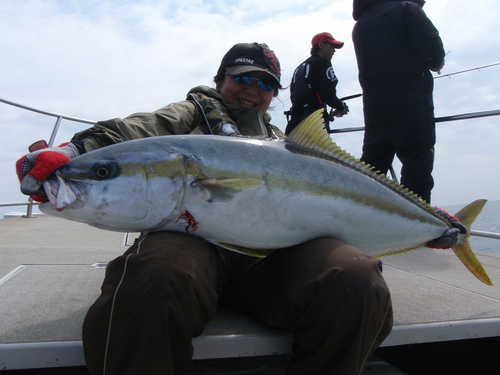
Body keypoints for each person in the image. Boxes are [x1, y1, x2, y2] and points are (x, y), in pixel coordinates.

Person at [16, 42, 393, 375]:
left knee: (357, 279)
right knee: (157, 275)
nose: (252, 90)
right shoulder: (188, 115)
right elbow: (135, 129)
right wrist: (70, 153)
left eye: (266, 84)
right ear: (220, 80)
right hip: (192, 241)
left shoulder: (282, 143)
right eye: (242, 78)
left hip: (269, 257)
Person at [352, 0, 445, 203]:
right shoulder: (406, 9)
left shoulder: (360, 26)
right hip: (412, 108)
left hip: (375, 114)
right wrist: (439, 63)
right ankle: (418, 232)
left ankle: (357, 226)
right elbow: (435, 57)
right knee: (417, 178)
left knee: (369, 177)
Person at [285, 32, 350, 135]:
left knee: (296, 151)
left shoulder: (299, 68)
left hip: (294, 122)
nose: (334, 50)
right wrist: (341, 106)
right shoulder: (323, 62)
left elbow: (293, 95)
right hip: (314, 122)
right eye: (332, 46)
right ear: (321, 45)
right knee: (315, 151)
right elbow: (328, 94)